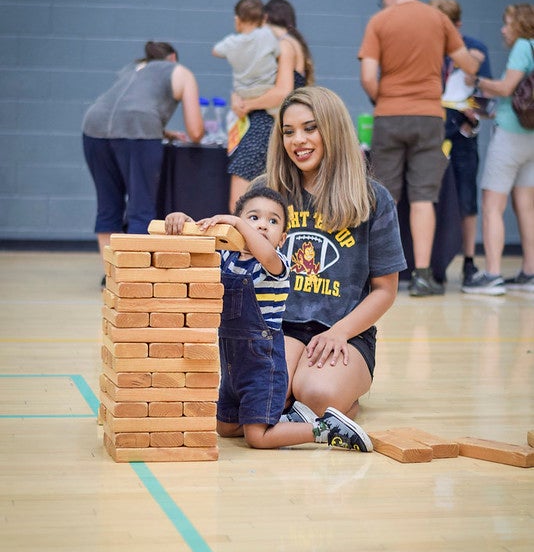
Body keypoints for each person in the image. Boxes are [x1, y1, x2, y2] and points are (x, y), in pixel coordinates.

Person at [164, 186, 372, 451]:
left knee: (257, 437)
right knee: (225, 427)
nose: (262, 226)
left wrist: (239, 222)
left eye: (272, 221)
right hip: (231, 363)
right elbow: (196, 248)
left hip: (263, 365)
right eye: (254, 218)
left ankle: (325, 429)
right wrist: (182, 221)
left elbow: (266, 253)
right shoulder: (225, 258)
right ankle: (288, 422)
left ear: (283, 238)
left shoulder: (276, 264)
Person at [260, 85, 406, 423]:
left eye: (310, 128)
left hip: (346, 333)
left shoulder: (373, 199)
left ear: (333, 130)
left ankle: (333, 395)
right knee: (261, 398)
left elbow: (386, 289)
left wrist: (339, 332)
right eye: (289, 131)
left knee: (316, 395)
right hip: (281, 328)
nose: (298, 140)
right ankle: (297, 396)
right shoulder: (266, 192)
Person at [358, 0, 485, 297]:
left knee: (384, 196)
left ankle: (374, 275)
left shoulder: (379, 20)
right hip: (429, 116)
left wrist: (382, 99)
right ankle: (423, 276)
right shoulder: (438, 18)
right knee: (424, 198)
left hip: (389, 115)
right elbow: (468, 66)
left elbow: (368, 76)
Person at [82, 41, 204, 276]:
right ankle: (132, 277)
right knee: (140, 207)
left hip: (93, 127)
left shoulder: (132, 69)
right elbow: (196, 131)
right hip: (137, 131)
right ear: (173, 57)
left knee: (108, 207)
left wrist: (162, 131)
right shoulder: (180, 71)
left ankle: (111, 277)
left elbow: (121, 111)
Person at [461, 2, 534, 295]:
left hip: (510, 138)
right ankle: (529, 272)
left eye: (506, 23)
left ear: (520, 23)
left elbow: (505, 88)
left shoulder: (522, 46)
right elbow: (514, 99)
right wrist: (474, 105)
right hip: (530, 138)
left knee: (492, 205)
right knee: (526, 207)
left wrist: (475, 80)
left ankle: (491, 273)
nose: (503, 29)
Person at [428, 0, 493, 286]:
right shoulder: (426, 48)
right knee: (429, 197)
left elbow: (486, 101)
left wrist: (473, 112)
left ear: (457, 25)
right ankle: (429, 263)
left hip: (462, 133)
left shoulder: (475, 49)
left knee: (466, 197)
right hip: (432, 130)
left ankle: (468, 262)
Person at [228, 0, 315, 211]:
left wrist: (247, 104)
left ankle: (241, 245)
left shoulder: (283, 46)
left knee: (240, 204)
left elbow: (282, 93)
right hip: (272, 127)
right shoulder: (293, 45)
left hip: (264, 128)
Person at [212, 0, 280, 115]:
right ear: (264, 19)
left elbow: (215, 51)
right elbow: (278, 53)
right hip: (266, 90)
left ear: (237, 19)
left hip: (243, 94)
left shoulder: (231, 42)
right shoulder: (267, 35)